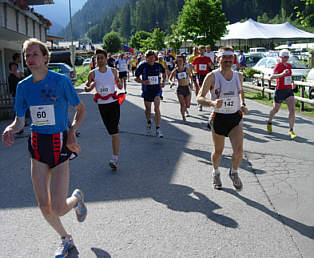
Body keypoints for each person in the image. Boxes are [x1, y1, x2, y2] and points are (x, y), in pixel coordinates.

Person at [2, 38, 87, 258]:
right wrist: (11, 129)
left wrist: (72, 131)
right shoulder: (23, 87)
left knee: (58, 208)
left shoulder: (60, 82)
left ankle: (76, 199)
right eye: (26, 55)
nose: (29, 59)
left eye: (34, 54)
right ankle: (65, 238)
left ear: (46, 57)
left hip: (60, 145)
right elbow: (20, 121)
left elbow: (81, 109)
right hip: (38, 147)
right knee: (44, 206)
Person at [197, 46, 248, 191]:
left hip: (235, 117)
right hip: (218, 117)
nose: (227, 61)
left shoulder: (239, 76)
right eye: (224, 58)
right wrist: (212, 103)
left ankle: (234, 172)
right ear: (218, 59)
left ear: (233, 59)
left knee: (238, 151)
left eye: (230, 58)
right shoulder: (212, 76)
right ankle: (216, 171)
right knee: (218, 152)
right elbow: (199, 98)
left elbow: (240, 93)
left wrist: (243, 104)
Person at [85, 48, 123, 169]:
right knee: (111, 130)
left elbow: (117, 82)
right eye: (98, 58)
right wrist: (90, 87)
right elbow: (86, 87)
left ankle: (115, 159)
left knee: (114, 133)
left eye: (102, 58)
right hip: (102, 105)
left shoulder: (113, 71)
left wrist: (119, 84)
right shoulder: (93, 73)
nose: (100, 60)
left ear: (106, 59)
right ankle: (114, 126)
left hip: (114, 103)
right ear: (95, 60)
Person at [135, 50, 166, 138]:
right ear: (146, 58)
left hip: (157, 90)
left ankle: (158, 128)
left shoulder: (159, 65)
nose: (152, 60)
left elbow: (164, 73)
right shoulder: (143, 66)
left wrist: (163, 81)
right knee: (148, 109)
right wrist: (143, 81)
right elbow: (135, 77)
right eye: (150, 58)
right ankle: (149, 121)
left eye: (153, 58)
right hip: (147, 90)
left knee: (157, 108)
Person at [267, 49, 296, 139]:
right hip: (280, 90)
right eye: (284, 57)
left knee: (292, 111)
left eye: (287, 57)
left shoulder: (289, 66)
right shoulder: (278, 66)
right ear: (280, 57)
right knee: (276, 109)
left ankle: (291, 130)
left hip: (288, 90)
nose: (286, 59)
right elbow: (271, 77)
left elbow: (289, 77)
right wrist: (282, 74)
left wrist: (292, 83)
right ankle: (269, 121)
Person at [169, 55, 193, 122]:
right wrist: (171, 82)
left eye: (181, 61)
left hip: (187, 88)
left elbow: (191, 77)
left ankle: (185, 109)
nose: (179, 62)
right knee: (182, 104)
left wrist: (191, 83)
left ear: (183, 62)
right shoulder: (175, 71)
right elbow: (169, 79)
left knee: (187, 105)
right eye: (178, 61)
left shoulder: (186, 69)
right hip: (180, 88)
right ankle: (183, 117)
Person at [192, 45, 214, 111]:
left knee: (210, 88)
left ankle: (211, 102)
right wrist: (194, 71)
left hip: (206, 74)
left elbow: (212, 67)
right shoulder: (196, 59)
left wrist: (211, 66)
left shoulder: (207, 58)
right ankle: (200, 103)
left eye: (203, 50)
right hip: (199, 74)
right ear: (198, 51)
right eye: (200, 50)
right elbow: (193, 66)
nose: (202, 51)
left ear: (205, 51)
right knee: (200, 88)